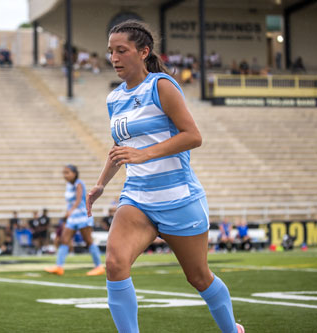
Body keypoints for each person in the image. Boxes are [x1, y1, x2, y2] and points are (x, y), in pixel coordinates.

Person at [86, 20, 243, 333]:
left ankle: (231, 330)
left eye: (121, 50)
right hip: (137, 198)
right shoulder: (114, 98)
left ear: (143, 51)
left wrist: (144, 154)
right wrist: (101, 184)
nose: (114, 58)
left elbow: (193, 136)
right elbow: (120, 146)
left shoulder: (162, 86)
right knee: (115, 265)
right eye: (110, 52)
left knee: (198, 277)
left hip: (179, 199)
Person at [45, 165, 105, 276]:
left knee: (88, 241)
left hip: (82, 215)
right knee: (64, 240)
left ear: (74, 173)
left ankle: (99, 266)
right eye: (64, 173)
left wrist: (70, 211)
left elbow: (78, 200)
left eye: (67, 172)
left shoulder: (79, 183)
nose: (65, 175)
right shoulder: (68, 185)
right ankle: (59, 267)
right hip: (73, 217)